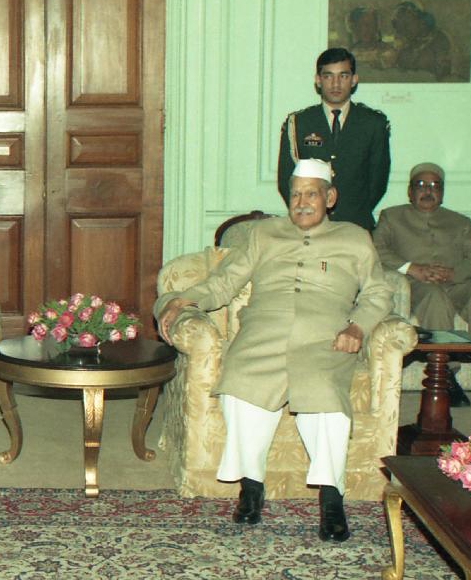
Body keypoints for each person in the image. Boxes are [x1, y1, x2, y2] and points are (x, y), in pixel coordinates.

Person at [156, 159, 392, 542]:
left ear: (330, 198)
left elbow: (379, 292)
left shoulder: (355, 238)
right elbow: (225, 281)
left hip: (325, 335)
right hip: (263, 331)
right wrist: (183, 300)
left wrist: (357, 326)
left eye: (311, 194)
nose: (302, 202)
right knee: (239, 381)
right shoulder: (263, 233)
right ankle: (251, 486)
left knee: (325, 393)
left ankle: (331, 498)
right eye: (295, 194)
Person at [372, 162, 471, 407]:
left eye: (435, 186)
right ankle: (446, 376)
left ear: (442, 193)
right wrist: (412, 268)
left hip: (455, 282)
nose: (428, 190)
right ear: (410, 191)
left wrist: (453, 274)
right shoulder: (392, 216)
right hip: (417, 284)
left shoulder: (460, 222)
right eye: (421, 185)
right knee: (434, 296)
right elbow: (375, 249)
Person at [277, 47, 391, 230]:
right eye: (328, 76)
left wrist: (351, 212)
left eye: (343, 76)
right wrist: (308, 213)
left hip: (355, 225)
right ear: (318, 80)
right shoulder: (299, 123)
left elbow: (377, 183)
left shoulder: (373, 123)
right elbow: (286, 181)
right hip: (310, 226)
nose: (336, 84)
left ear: (354, 80)